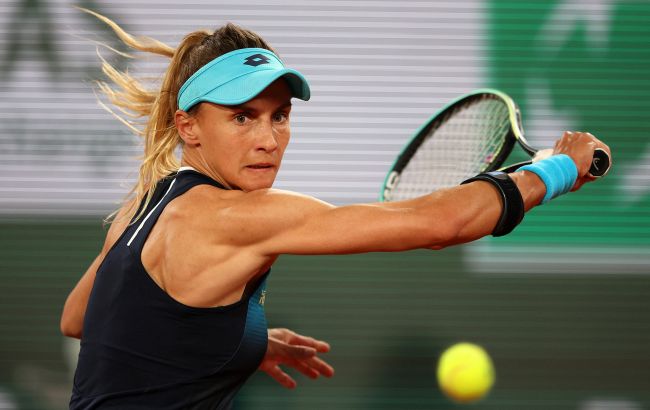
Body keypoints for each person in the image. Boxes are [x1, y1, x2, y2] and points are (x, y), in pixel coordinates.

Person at [60, 9, 611, 410]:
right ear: (188, 126)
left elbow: (80, 318)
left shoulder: (145, 205)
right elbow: (439, 224)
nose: (268, 139)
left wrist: (226, 343)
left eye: (279, 116)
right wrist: (557, 171)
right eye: (242, 117)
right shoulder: (237, 217)